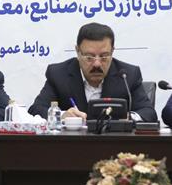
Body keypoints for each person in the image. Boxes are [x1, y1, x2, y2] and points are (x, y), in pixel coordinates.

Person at [28, 22, 157, 122]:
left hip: (115, 144)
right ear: (78, 52)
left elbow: (148, 113)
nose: (97, 64)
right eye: (89, 57)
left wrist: (128, 117)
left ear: (112, 51)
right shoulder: (59, 74)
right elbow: (35, 110)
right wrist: (61, 116)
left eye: (104, 56)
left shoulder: (127, 75)